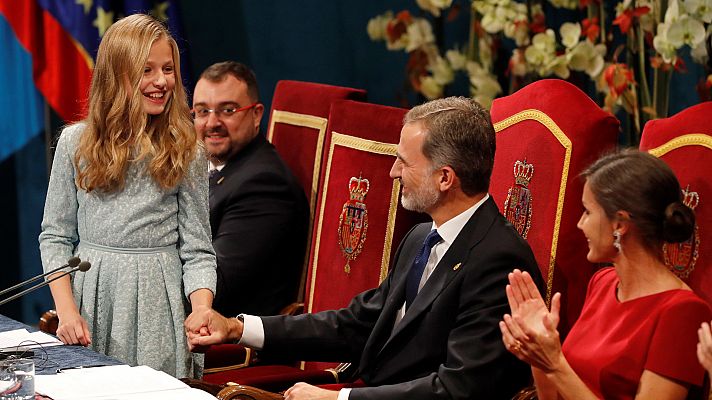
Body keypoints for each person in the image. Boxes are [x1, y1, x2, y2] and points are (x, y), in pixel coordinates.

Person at [186, 96, 542, 400]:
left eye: (404, 160)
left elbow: (459, 389)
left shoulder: (498, 260)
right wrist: (236, 328)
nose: (393, 172)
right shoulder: (421, 236)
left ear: (445, 178)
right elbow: (354, 325)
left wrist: (339, 398)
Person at [38, 14, 216, 378]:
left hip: (159, 308)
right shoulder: (75, 143)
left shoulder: (187, 149)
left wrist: (201, 308)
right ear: (116, 75)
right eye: (147, 70)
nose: (162, 81)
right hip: (94, 302)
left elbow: (197, 250)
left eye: (168, 69)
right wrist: (68, 312)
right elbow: (55, 237)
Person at [500, 150, 712, 400]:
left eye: (588, 212)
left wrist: (556, 363)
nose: (580, 224)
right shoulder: (602, 282)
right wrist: (538, 353)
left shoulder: (683, 312)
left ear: (619, 224)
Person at [192, 61, 309, 317]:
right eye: (202, 111)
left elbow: (214, 282)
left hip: (229, 340)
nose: (212, 123)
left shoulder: (264, 185)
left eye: (227, 110)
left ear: (256, 115)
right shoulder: (207, 167)